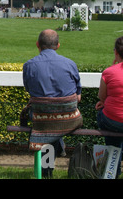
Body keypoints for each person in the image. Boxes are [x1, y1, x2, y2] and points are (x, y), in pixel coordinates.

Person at [22, 29, 83, 178]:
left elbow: (30, 92)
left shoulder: (29, 65)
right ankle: (50, 164)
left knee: (50, 119)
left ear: (38, 44)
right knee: (55, 121)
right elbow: (78, 97)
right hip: (68, 119)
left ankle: (47, 170)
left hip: (42, 118)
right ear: (58, 45)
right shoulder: (70, 64)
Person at [95, 36, 123, 177]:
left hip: (113, 120)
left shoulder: (109, 72)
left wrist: (105, 103)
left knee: (103, 115)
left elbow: (102, 96)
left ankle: (113, 171)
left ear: (116, 53)